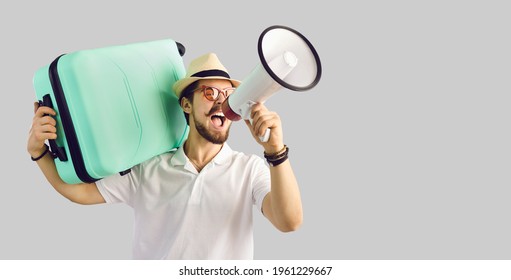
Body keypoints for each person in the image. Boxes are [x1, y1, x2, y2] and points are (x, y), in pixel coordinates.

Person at [27, 52, 303, 259]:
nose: (222, 101)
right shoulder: (149, 167)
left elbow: (288, 222)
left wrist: (275, 152)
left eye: (229, 94)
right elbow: (79, 192)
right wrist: (39, 152)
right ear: (186, 103)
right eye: (210, 92)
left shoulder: (250, 169)